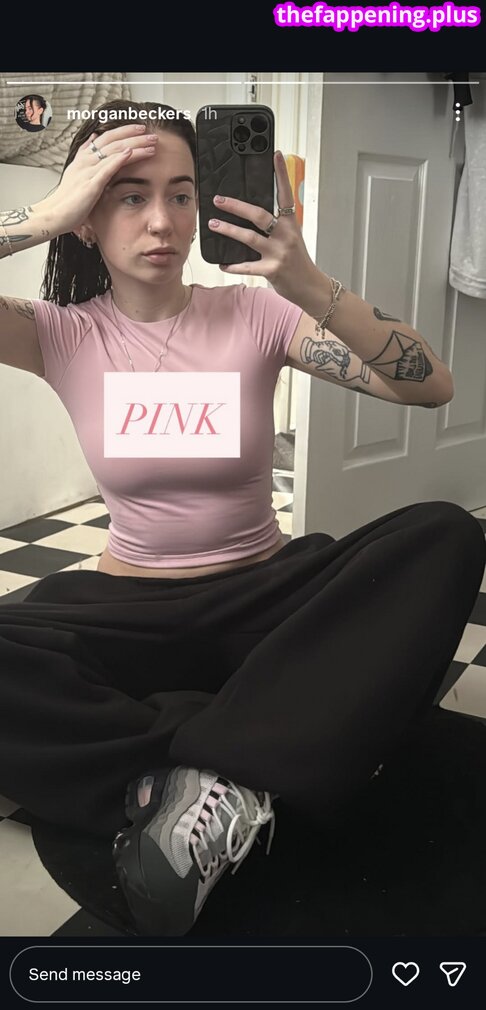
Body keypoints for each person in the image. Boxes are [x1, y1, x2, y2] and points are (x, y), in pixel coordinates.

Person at [0, 100, 484, 937]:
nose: (162, 221)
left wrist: (308, 282)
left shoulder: (255, 313)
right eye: (128, 196)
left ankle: (179, 770)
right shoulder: (57, 333)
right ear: (87, 216)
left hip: (267, 594)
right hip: (129, 605)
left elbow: (430, 386)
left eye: (181, 194)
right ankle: (251, 754)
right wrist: (42, 215)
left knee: (443, 534)